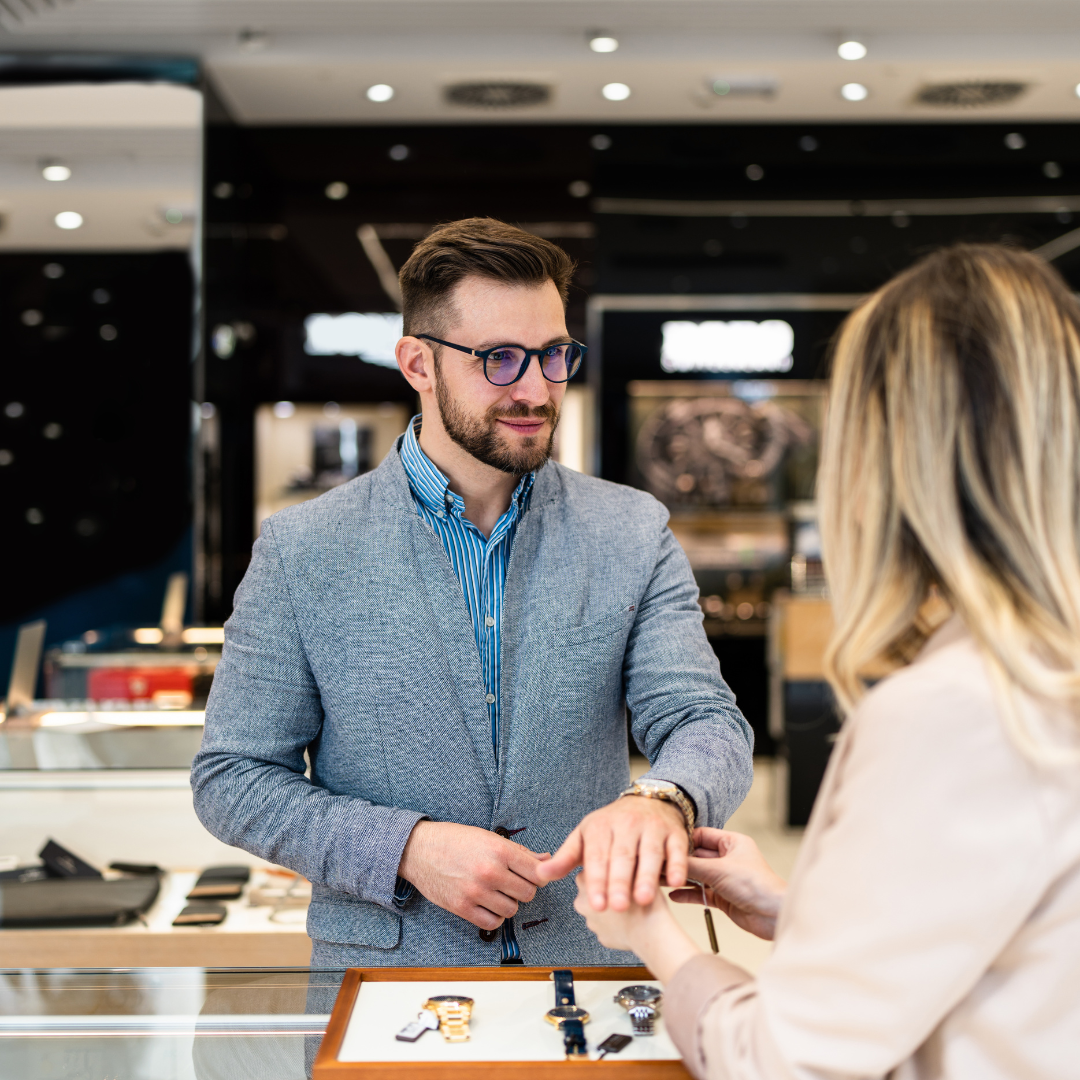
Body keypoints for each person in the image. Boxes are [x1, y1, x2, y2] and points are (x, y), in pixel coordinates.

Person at [571, 243, 1080, 1077]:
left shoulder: (961, 706)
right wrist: (801, 907)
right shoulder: (1035, 672)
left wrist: (645, 932)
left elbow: (782, 1059)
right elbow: (1001, 930)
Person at [191, 217, 753, 968]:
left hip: (592, 966)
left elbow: (705, 720)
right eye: (499, 359)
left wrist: (665, 799)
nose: (535, 388)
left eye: (554, 356)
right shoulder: (303, 549)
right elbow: (233, 777)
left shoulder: (631, 529)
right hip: (387, 983)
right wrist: (407, 848)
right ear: (417, 363)